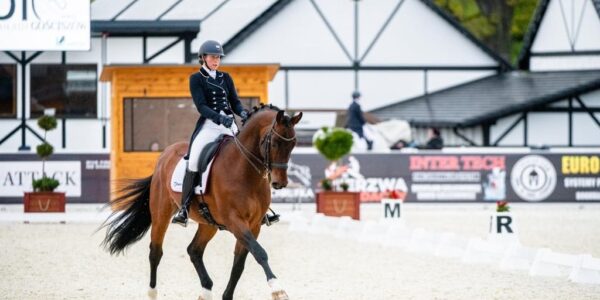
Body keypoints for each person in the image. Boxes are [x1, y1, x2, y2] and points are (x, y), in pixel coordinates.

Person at [171, 40, 249, 226]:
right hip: (209, 125)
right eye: (213, 57)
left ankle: (259, 207)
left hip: (229, 124)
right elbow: (201, 106)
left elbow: (234, 102)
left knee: (249, 155)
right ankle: (184, 207)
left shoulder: (226, 77)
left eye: (218, 57)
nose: (216, 60)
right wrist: (219, 118)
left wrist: (243, 112)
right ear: (203, 58)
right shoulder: (196, 79)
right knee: (195, 159)